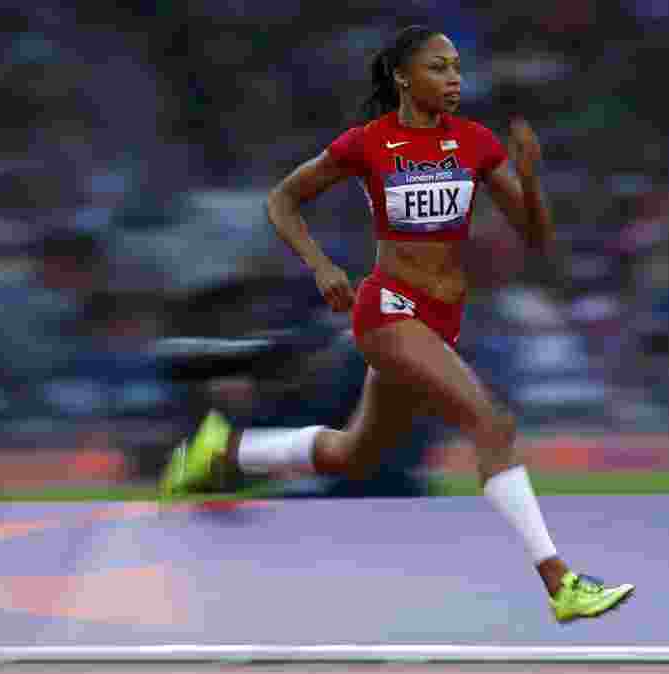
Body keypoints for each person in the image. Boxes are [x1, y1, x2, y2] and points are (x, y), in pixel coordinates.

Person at [160, 25, 633, 622]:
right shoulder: (368, 144)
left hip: (441, 319)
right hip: (388, 310)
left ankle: (221, 452)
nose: (454, 78)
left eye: (457, 67)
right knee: (492, 424)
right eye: (439, 68)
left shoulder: (476, 143)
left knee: (354, 455)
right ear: (404, 79)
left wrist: (531, 178)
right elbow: (282, 200)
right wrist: (321, 266)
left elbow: (536, 237)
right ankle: (561, 583)